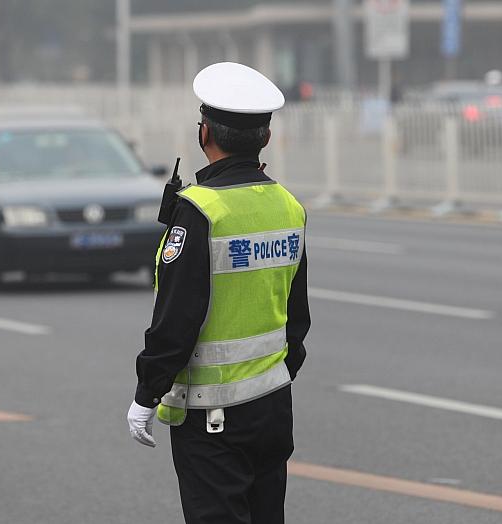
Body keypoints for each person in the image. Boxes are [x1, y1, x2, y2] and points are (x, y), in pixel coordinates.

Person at [127, 62, 311, 524]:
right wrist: (275, 376)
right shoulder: (288, 205)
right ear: (265, 139)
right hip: (272, 406)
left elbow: (176, 318)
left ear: (203, 132)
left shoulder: (201, 212)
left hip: (213, 419)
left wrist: (147, 393)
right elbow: (297, 315)